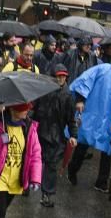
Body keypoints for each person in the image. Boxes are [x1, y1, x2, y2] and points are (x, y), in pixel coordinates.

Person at [67, 54, 111, 191]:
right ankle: (72, 170)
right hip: (94, 115)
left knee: (108, 150)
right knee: (83, 144)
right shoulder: (104, 69)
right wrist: (80, 99)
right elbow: (85, 80)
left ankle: (101, 181)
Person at [32, 64, 79, 208]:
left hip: (56, 136)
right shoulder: (44, 91)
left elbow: (71, 119)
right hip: (40, 132)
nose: (60, 78)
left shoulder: (69, 96)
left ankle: (47, 194)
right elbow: (34, 110)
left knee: (51, 165)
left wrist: (74, 135)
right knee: (33, 160)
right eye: (58, 75)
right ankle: (27, 184)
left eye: (63, 76)